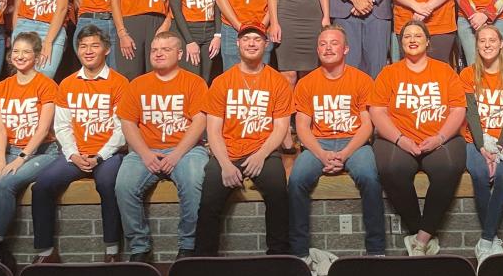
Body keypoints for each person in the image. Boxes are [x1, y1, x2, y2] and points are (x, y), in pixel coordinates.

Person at [30, 25, 129, 263]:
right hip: (76, 154)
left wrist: (100, 156)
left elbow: (122, 130)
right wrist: (73, 154)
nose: (88, 51)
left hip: (108, 154)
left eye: (94, 45)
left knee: (107, 184)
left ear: (106, 49)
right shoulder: (67, 83)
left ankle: (112, 250)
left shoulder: (119, 83)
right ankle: (46, 253)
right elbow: (62, 126)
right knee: (41, 186)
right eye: (83, 46)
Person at [194, 23, 293, 256]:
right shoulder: (222, 82)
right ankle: (202, 261)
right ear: (237, 43)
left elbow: (281, 127)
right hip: (227, 151)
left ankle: (279, 257)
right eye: (246, 39)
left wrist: (260, 155)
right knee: (208, 200)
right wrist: (226, 165)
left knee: (279, 193)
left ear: (265, 44)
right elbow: (214, 130)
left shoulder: (277, 81)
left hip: (264, 150)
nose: (251, 43)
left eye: (257, 39)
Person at [370, 21, 466, 256]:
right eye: (407, 37)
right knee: (392, 168)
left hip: (439, 137)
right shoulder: (389, 73)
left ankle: (420, 239)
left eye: (418, 36)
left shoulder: (444, 71)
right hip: (400, 137)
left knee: (448, 167)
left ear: (427, 42)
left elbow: (457, 109)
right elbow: (378, 111)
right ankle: (420, 231)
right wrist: (400, 139)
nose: (412, 40)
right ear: (401, 44)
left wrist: (439, 137)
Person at [289, 26, 384, 258]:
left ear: (346, 49)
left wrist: (345, 154)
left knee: (370, 178)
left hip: (354, 142)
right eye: (322, 44)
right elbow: (302, 126)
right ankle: (300, 254)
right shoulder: (306, 83)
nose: (328, 48)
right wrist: (322, 155)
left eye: (334, 43)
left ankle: (376, 251)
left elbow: (367, 125)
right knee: (296, 180)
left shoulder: (361, 80)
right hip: (318, 142)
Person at [114, 30, 210, 261]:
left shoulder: (194, 82)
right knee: (123, 186)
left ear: (179, 54)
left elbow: (200, 122)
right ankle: (139, 248)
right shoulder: (137, 85)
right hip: (145, 149)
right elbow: (128, 123)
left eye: (165, 50)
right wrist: (145, 154)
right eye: (155, 50)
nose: (158, 54)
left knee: (194, 181)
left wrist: (176, 155)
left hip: (186, 150)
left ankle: (188, 246)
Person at [0, 32, 59, 268]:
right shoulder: (1, 87)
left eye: (26, 52)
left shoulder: (46, 85)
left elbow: (43, 130)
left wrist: (21, 159)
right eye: (16, 52)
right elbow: (0, 129)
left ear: (36, 56)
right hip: (10, 150)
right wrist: (1, 159)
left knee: (6, 183)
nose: (20, 56)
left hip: (43, 151)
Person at [460, 25, 503, 265]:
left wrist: (498, 149)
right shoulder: (467, 75)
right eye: (482, 41)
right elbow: (471, 115)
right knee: (479, 173)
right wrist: (482, 147)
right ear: (476, 45)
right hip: (476, 140)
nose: (487, 45)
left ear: (501, 44)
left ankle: (486, 241)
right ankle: (491, 240)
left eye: (492, 40)